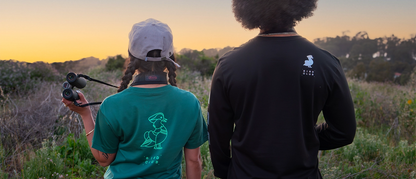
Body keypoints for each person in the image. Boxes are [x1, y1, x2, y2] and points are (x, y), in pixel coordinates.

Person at [208, 1, 357, 178]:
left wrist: (225, 172)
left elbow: (217, 135)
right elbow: (344, 132)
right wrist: (303, 139)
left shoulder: (228, 66)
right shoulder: (327, 63)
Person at [62, 18, 208, 179]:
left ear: (131, 57)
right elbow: (194, 160)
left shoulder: (112, 105)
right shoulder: (189, 102)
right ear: (170, 57)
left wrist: (85, 114)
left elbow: (104, 159)